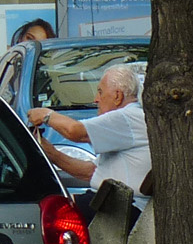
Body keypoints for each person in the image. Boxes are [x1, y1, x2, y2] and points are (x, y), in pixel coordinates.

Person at [27, 64, 150, 227]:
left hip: (123, 208)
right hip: (109, 202)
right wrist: (52, 154)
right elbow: (91, 172)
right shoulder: (125, 121)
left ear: (117, 96)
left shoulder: (126, 117)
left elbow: (76, 132)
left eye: (100, 92)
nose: (96, 99)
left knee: (47, 217)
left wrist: (46, 115)